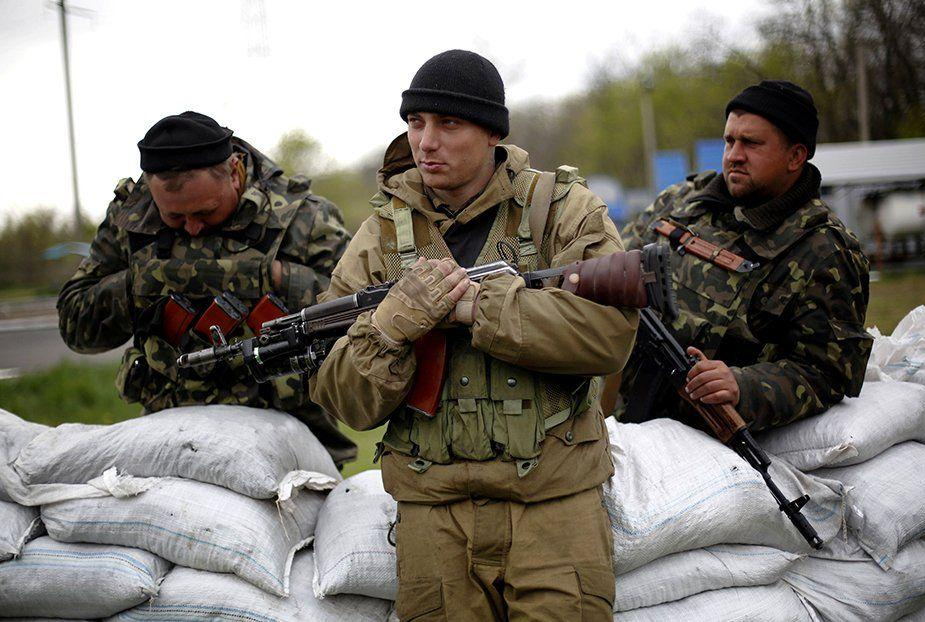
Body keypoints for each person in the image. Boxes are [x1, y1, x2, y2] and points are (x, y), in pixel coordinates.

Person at [309, 50, 636, 620]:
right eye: (415, 124)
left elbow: (608, 337)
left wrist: (475, 309)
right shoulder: (380, 236)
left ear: (491, 134)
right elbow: (344, 402)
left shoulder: (561, 212)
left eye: (447, 124)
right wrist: (387, 330)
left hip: (553, 507)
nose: (425, 142)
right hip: (435, 516)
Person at [57, 111, 357, 467]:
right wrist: (138, 284)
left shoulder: (304, 218)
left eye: (206, 212)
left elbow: (356, 316)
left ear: (233, 172)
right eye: (174, 218)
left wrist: (273, 278)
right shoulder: (132, 219)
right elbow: (76, 328)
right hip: (171, 433)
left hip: (289, 433)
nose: (193, 228)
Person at [613, 80, 873, 431]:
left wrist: (743, 385)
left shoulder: (825, 250)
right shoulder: (683, 200)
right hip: (621, 414)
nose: (734, 155)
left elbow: (825, 372)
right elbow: (614, 259)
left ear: (795, 156)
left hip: (706, 444)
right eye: (729, 140)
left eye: (751, 143)